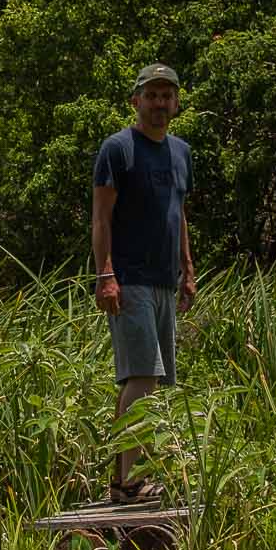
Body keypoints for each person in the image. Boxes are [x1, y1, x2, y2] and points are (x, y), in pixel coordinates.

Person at [91, 62, 195, 502]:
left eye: (166, 96)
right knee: (142, 376)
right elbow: (101, 217)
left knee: (148, 381)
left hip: (164, 280)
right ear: (136, 101)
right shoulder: (118, 149)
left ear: (176, 103)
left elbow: (178, 212)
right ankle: (130, 481)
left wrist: (187, 269)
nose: (159, 103)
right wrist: (105, 275)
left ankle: (124, 480)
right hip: (128, 278)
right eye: (151, 95)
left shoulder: (181, 152)